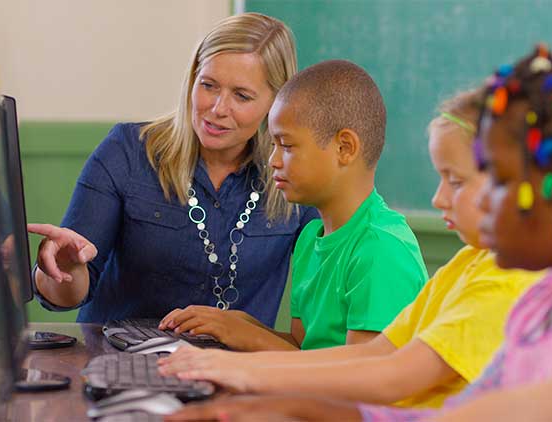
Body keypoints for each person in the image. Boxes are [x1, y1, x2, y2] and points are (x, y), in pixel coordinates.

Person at [164, 42, 552, 421]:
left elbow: (493, 409)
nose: (479, 199)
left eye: (502, 180)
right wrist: (290, 405)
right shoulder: (539, 302)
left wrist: (258, 380)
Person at [158, 89, 540, 407]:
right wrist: (238, 352)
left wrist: (243, 370)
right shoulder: (470, 262)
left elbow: (391, 379)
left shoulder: (503, 280)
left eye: (455, 182)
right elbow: (376, 355)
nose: (438, 199)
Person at [27, 13, 319, 326]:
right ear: (192, 80)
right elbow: (66, 296)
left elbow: (333, 280)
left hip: (235, 370)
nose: (218, 109)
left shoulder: (294, 174)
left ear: (276, 101)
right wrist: (62, 270)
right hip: (122, 364)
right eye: (208, 85)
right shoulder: (127, 151)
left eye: (241, 95)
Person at [160, 60, 428, 351]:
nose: (273, 160)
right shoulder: (311, 238)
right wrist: (236, 323)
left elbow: (360, 377)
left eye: (286, 146)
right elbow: (302, 348)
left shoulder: (380, 248)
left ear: (344, 148)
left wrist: (246, 335)